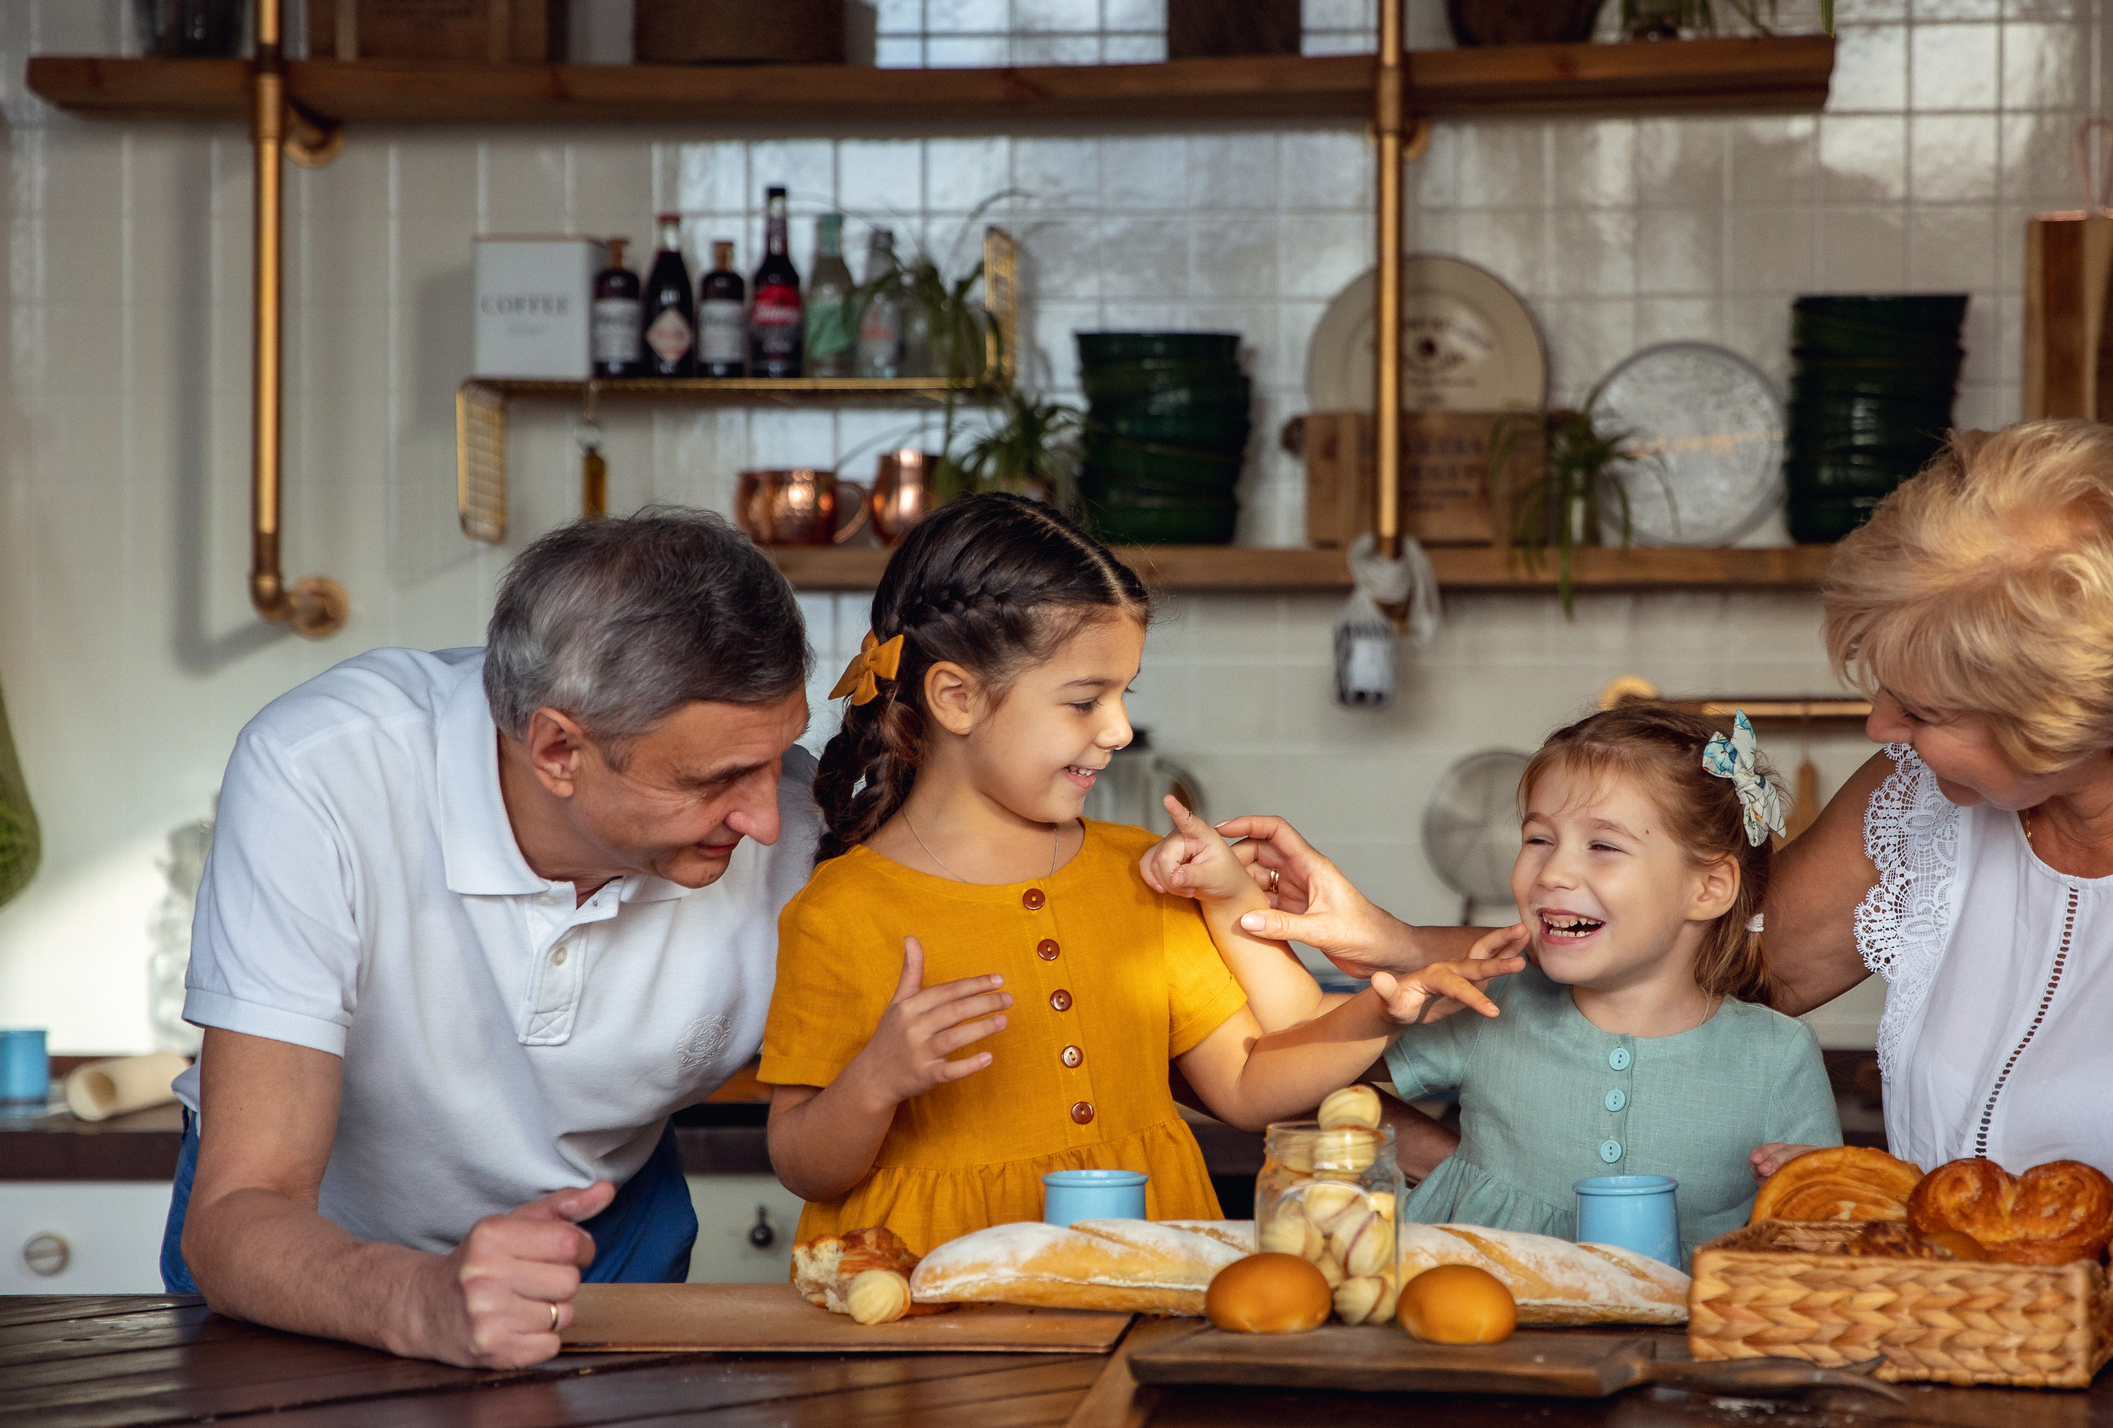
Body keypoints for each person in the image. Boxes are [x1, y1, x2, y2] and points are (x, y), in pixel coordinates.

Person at [1153, 422, 2113, 1296]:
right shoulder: (1919, 793)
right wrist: (1387, 940)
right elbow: (1688, 963)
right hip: (1928, 1378)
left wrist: (1979, 1237)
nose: (1880, 730)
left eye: (1921, 708)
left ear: (2071, 719)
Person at [760, 494, 1512, 1256]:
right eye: (1086, 700)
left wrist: (1382, 1011)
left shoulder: (1139, 872)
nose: (1118, 729)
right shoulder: (840, 910)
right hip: (927, 1305)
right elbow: (801, 1163)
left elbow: (1249, 1086)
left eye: (1123, 695)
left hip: (1146, 1274)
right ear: (956, 697)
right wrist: (876, 1081)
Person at [172, 507, 821, 1367]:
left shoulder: (809, 821)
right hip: (311, 1256)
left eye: (776, 759)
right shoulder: (323, 768)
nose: (768, 821)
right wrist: (415, 1297)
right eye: (718, 780)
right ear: (558, 748)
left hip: (604, 1238)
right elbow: (241, 1203)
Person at [1155, 703, 1840, 1249]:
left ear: (1709, 887)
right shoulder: (1496, 1005)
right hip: (1475, 1358)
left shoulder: (1778, 1056)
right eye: (1538, 838)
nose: (1553, 871)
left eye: (1603, 845)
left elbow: (1832, 1227)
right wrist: (1230, 897)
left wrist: (1809, 1194)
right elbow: (1307, 1040)